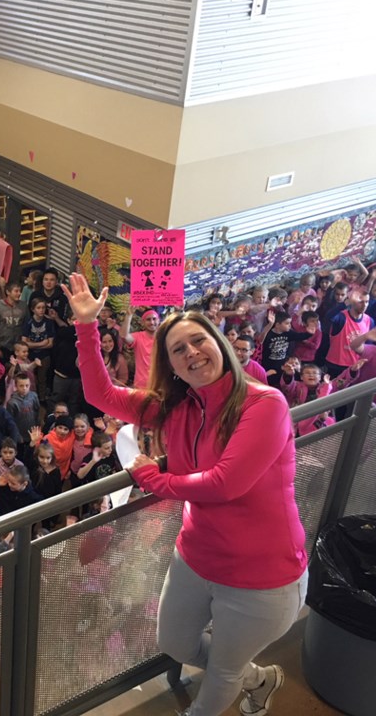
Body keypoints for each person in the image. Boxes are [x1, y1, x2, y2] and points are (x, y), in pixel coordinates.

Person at [64, 272, 307, 716]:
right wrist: (86, 326)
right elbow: (99, 394)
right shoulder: (175, 406)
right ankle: (259, 677)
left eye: (199, 341)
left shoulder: (265, 404)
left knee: (220, 678)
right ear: (171, 366)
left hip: (262, 575)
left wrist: (152, 478)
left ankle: (233, 681)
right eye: (179, 349)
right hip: (196, 554)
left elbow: (224, 483)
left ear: (220, 342)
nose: (192, 353)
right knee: (173, 643)